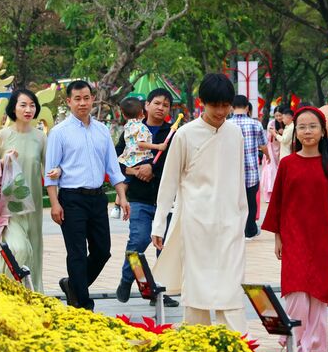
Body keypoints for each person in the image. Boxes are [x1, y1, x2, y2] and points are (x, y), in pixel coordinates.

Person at [152, 73, 248, 334]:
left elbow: (239, 181)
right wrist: (159, 225)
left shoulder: (235, 133)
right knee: (196, 289)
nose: (221, 112)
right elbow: (168, 182)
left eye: (225, 105)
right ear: (201, 103)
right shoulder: (185, 135)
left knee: (231, 290)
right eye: (215, 105)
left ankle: (238, 344)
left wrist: (242, 218)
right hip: (195, 224)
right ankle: (198, 341)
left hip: (230, 223)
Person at [262, 106, 328, 352]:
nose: (307, 131)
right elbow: (278, 203)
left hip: (321, 240)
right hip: (293, 237)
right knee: (296, 292)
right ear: (295, 133)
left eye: (313, 126)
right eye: (301, 127)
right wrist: (278, 237)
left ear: (323, 132)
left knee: (317, 293)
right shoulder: (287, 165)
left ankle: (312, 348)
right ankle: (293, 343)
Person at [45, 80, 129, 311]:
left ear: (93, 99)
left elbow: (113, 168)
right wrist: (54, 204)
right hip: (71, 199)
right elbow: (50, 173)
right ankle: (83, 304)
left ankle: (73, 285)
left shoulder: (102, 131)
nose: (82, 103)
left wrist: (122, 196)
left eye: (86, 98)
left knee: (102, 251)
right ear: (69, 101)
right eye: (77, 99)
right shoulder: (59, 133)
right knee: (77, 253)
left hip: (97, 198)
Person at [114, 88, 179, 307]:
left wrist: (153, 169)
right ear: (147, 106)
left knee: (164, 249)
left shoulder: (173, 133)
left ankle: (159, 292)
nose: (161, 108)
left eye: (166, 105)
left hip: (166, 201)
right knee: (139, 240)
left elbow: (175, 163)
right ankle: (127, 278)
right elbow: (117, 159)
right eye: (157, 103)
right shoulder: (132, 130)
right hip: (139, 199)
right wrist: (133, 171)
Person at [0, 89, 48, 291]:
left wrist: (57, 174)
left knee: (33, 248)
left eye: (32, 105)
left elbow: (49, 168)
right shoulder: (2, 136)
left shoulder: (40, 138)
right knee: (18, 248)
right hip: (9, 207)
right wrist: (3, 161)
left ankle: (32, 292)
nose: (28, 109)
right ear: (13, 108)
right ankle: (9, 290)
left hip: (33, 206)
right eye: (23, 105)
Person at [229, 94, 267, 239]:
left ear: (232, 107)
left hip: (232, 174)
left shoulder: (226, 124)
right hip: (251, 172)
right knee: (251, 203)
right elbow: (263, 145)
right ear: (247, 107)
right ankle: (250, 231)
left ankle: (235, 231)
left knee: (234, 204)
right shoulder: (256, 124)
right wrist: (268, 156)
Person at [118, 97, 167, 169]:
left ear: (124, 115)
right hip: (140, 159)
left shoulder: (128, 126)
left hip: (128, 159)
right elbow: (141, 144)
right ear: (141, 111)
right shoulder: (141, 127)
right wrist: (158, 146)